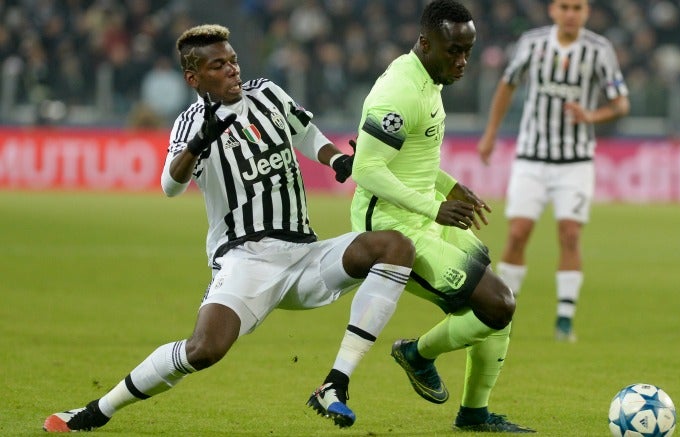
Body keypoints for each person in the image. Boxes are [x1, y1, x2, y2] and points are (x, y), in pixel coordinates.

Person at [43, 24, 415, 432]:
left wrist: (336, 160)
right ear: (194, 77)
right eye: (218, 65)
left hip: (306, 254)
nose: (232, 70)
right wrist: (200, 141)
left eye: (233, 60)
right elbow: (170, 185)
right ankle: (97, 411)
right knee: (203, 349)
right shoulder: (189, 124)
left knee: (395, 247)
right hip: (246, 257)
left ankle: (335, 383)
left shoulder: (268, 93)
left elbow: (306, 133)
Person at [349, 1, 535, 433]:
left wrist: (445, 183)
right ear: (425, 43)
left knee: (498, 303)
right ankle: (416, 353)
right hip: (391, 232)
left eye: (467, 50)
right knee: (496, 305)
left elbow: (409, 159)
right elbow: (367, 169)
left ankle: (473, 414)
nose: (462, 61)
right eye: (454, 51)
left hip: (421, 217)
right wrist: (435, 206)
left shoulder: (428, 80)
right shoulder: (399, 91)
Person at [477, 0, 630, 342]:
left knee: (570, 235)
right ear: (553, 11)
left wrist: (592, 116)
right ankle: (503, 311)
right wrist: (490, 134)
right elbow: (507, 84)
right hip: (531, 157)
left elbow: (621, 103)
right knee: (517, 233)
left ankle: (564, 319)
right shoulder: (532, 43)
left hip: (575, 162)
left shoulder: (598, 50)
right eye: (565, 6)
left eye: (578, 7)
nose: (571, 13)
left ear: (586, 12)